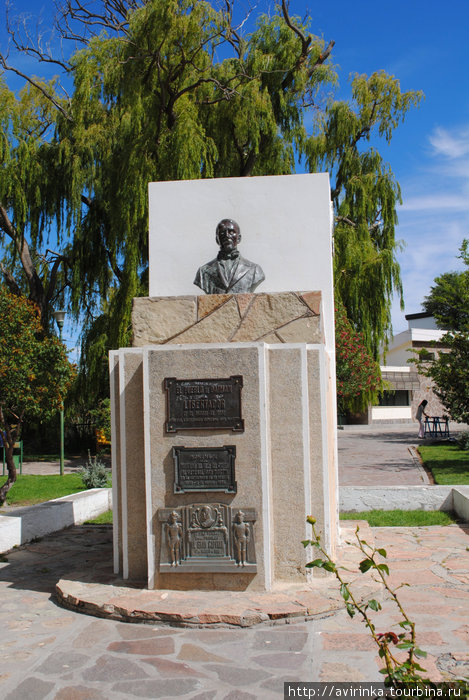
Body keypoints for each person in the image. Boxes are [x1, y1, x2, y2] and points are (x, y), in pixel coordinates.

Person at [194, 219, 265, 294]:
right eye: (222, 233)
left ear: (239, 238)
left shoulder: (254, 270)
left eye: (231, 232)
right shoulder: (203, 271)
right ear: (217, 240)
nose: (227, 235)